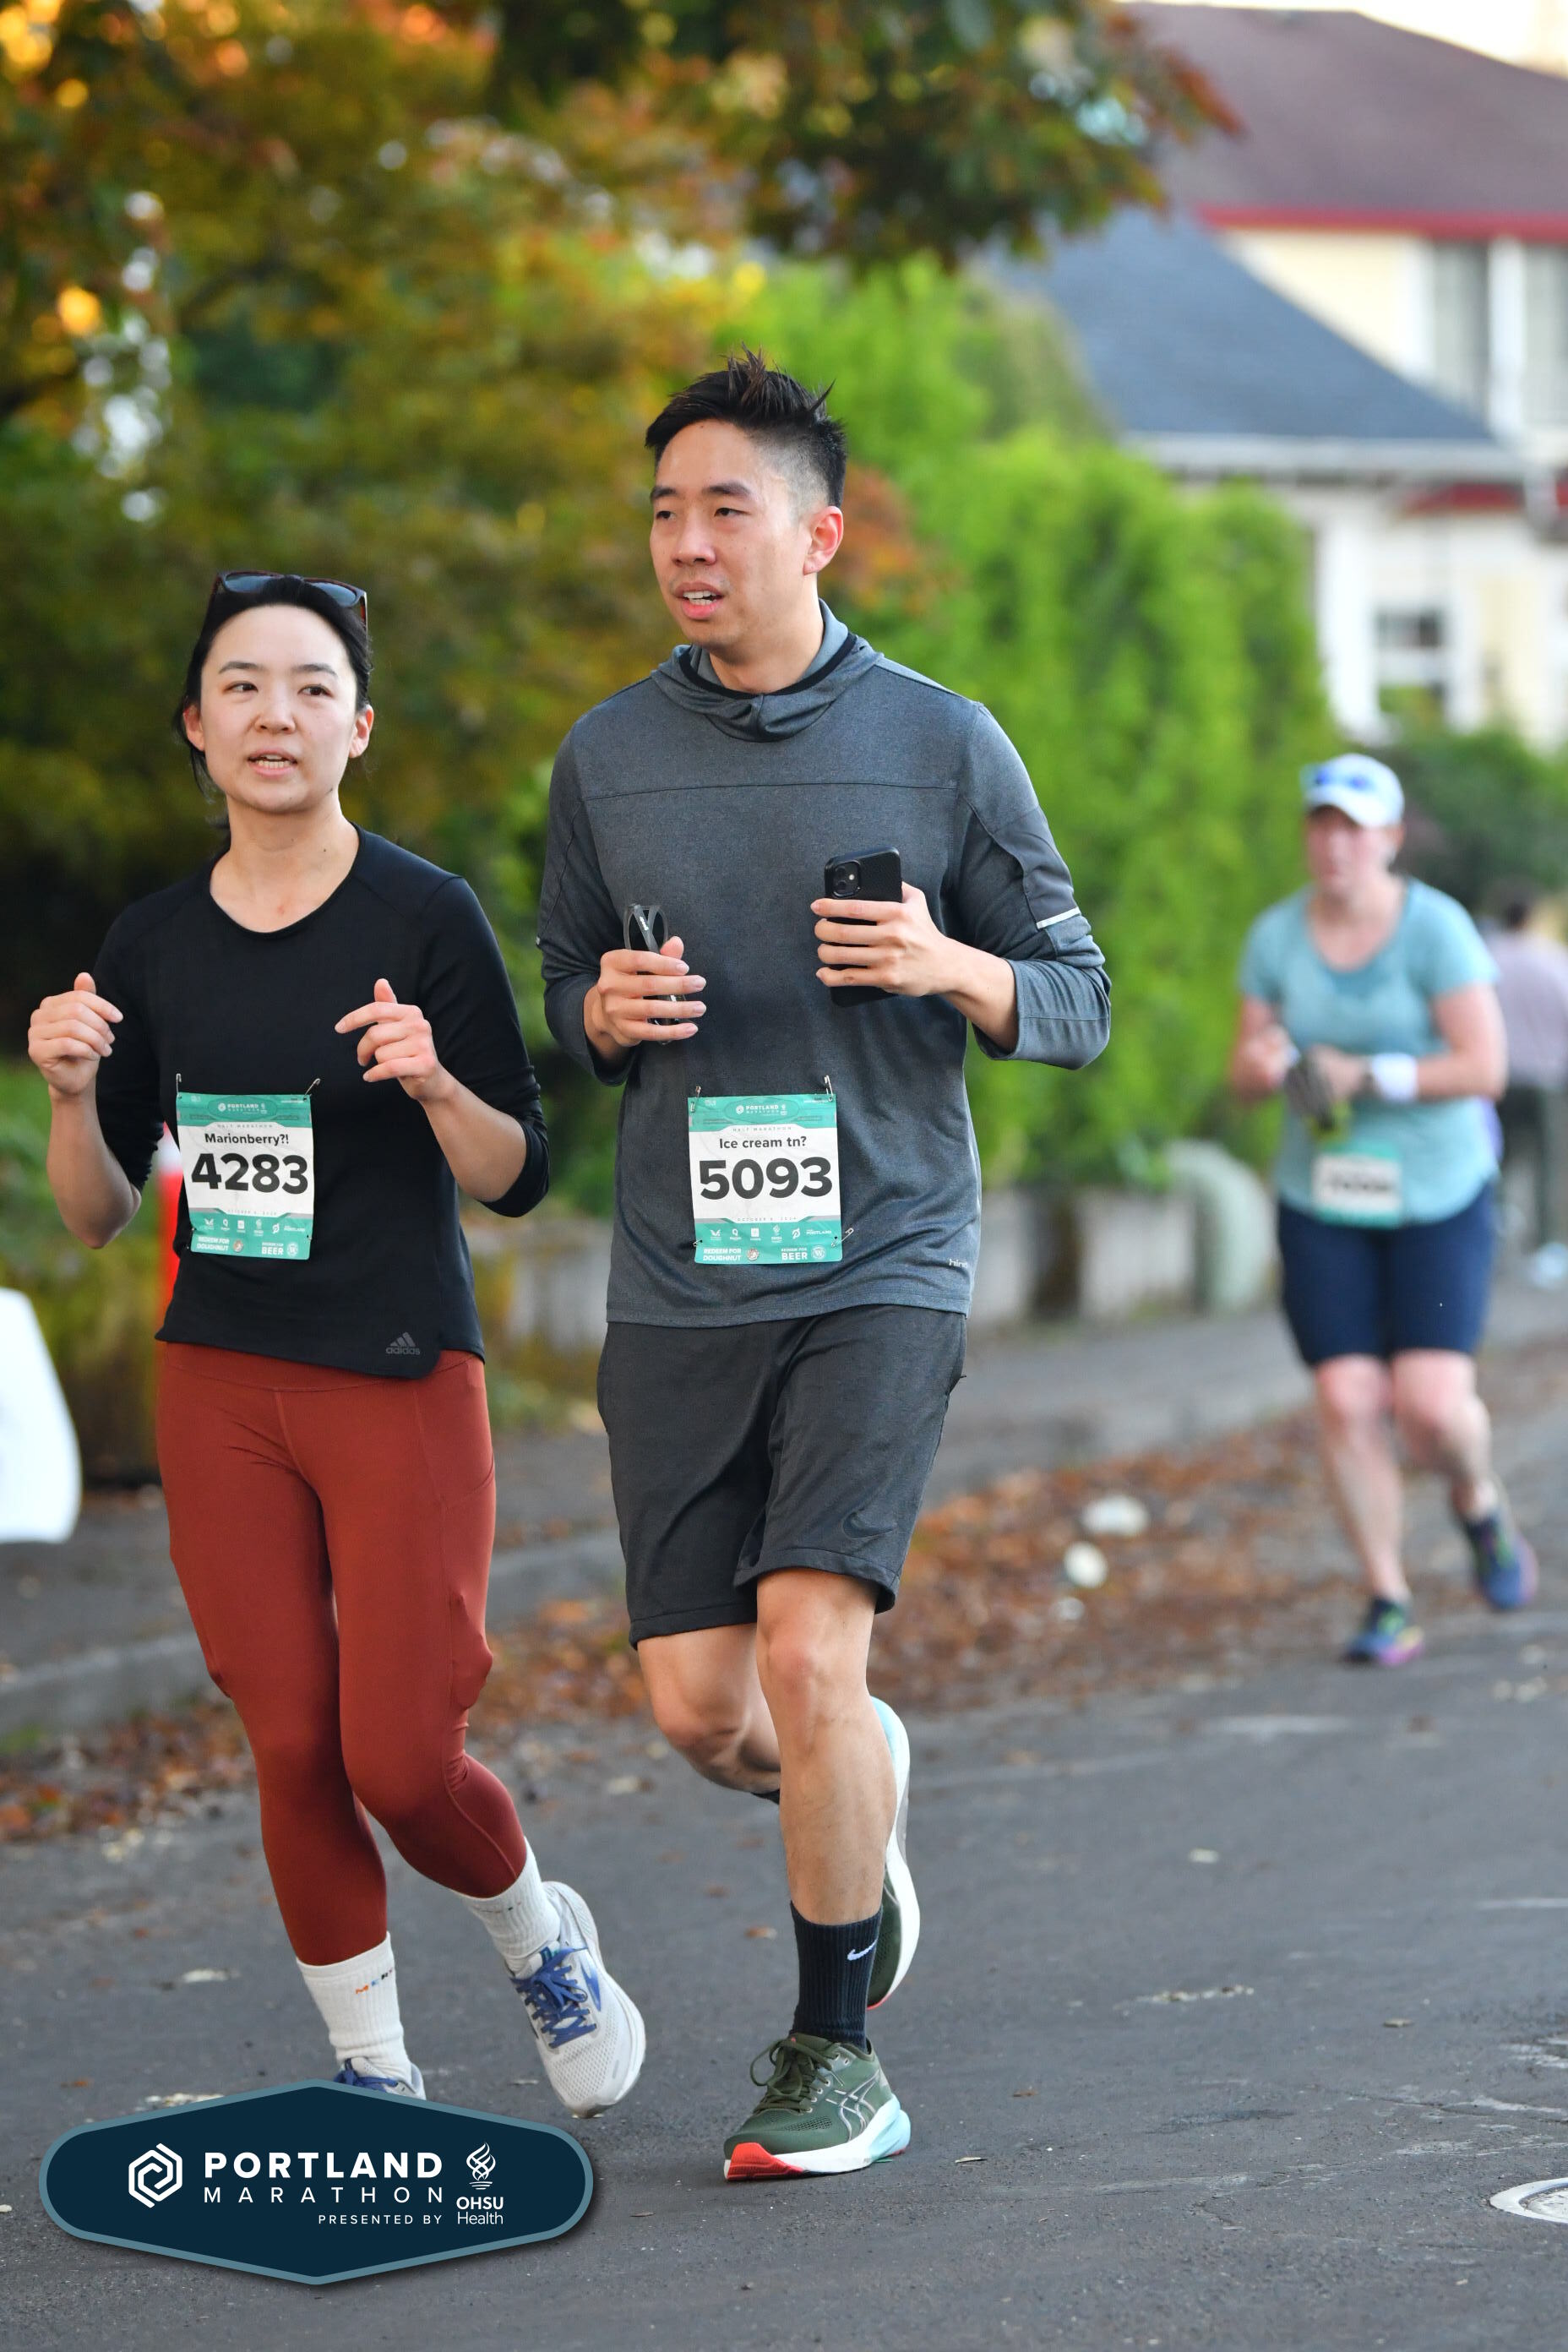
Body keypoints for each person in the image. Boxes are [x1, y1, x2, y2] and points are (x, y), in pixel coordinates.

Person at [538, 353, 1110, 2179]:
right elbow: (558, 988)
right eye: (664, 513)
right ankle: (854, 1785)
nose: (686, 544)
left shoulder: (945, 740)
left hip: (884, 1258)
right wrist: (599, 1009)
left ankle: (834, 2053)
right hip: (680, 1278)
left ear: (819, 534)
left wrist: (950, 965)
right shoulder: (605, 756)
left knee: (807, 1644)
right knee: (705, 1710)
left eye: (725, 508)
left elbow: (1081, 996)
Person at [25, 571, 643, 2115]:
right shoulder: (154, 942)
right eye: (241, 684)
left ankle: (538, 1934)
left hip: (394, 1368)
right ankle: (374, 2071)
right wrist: (68, 1096)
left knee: (400, 1757)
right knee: (291, 1741)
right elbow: (98, 1215)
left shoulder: (423, 917)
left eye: (311, 687)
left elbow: (518, 1174)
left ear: (358, 728)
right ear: (195, 724)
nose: (275, 714)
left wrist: (434, 1082)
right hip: (221, 1377)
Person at [1230, 753, 1536, 1668]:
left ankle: (1477, 1502)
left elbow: (1484, 1067)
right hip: (1322, 1196)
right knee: (1346, 1395)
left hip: (1437, 1194)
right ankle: (1387, 1594)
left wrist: (1369, 1074)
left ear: (1391, 839)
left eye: (1355, 829)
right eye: (1321, 824)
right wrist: (1262, 1066)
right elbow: (1243, 1070)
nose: (1336, 844)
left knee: (1431, 1409)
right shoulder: (1276, 936)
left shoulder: (1436, 930)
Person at [1490, 890, 1568, 1287]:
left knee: (1496, 1156)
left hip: (1498, 1075)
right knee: (1547, 1163)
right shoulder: (1552, 961)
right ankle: (1546, 1245)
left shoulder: (1488, 958)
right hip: (1545, 1076)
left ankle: (1496, 1222)